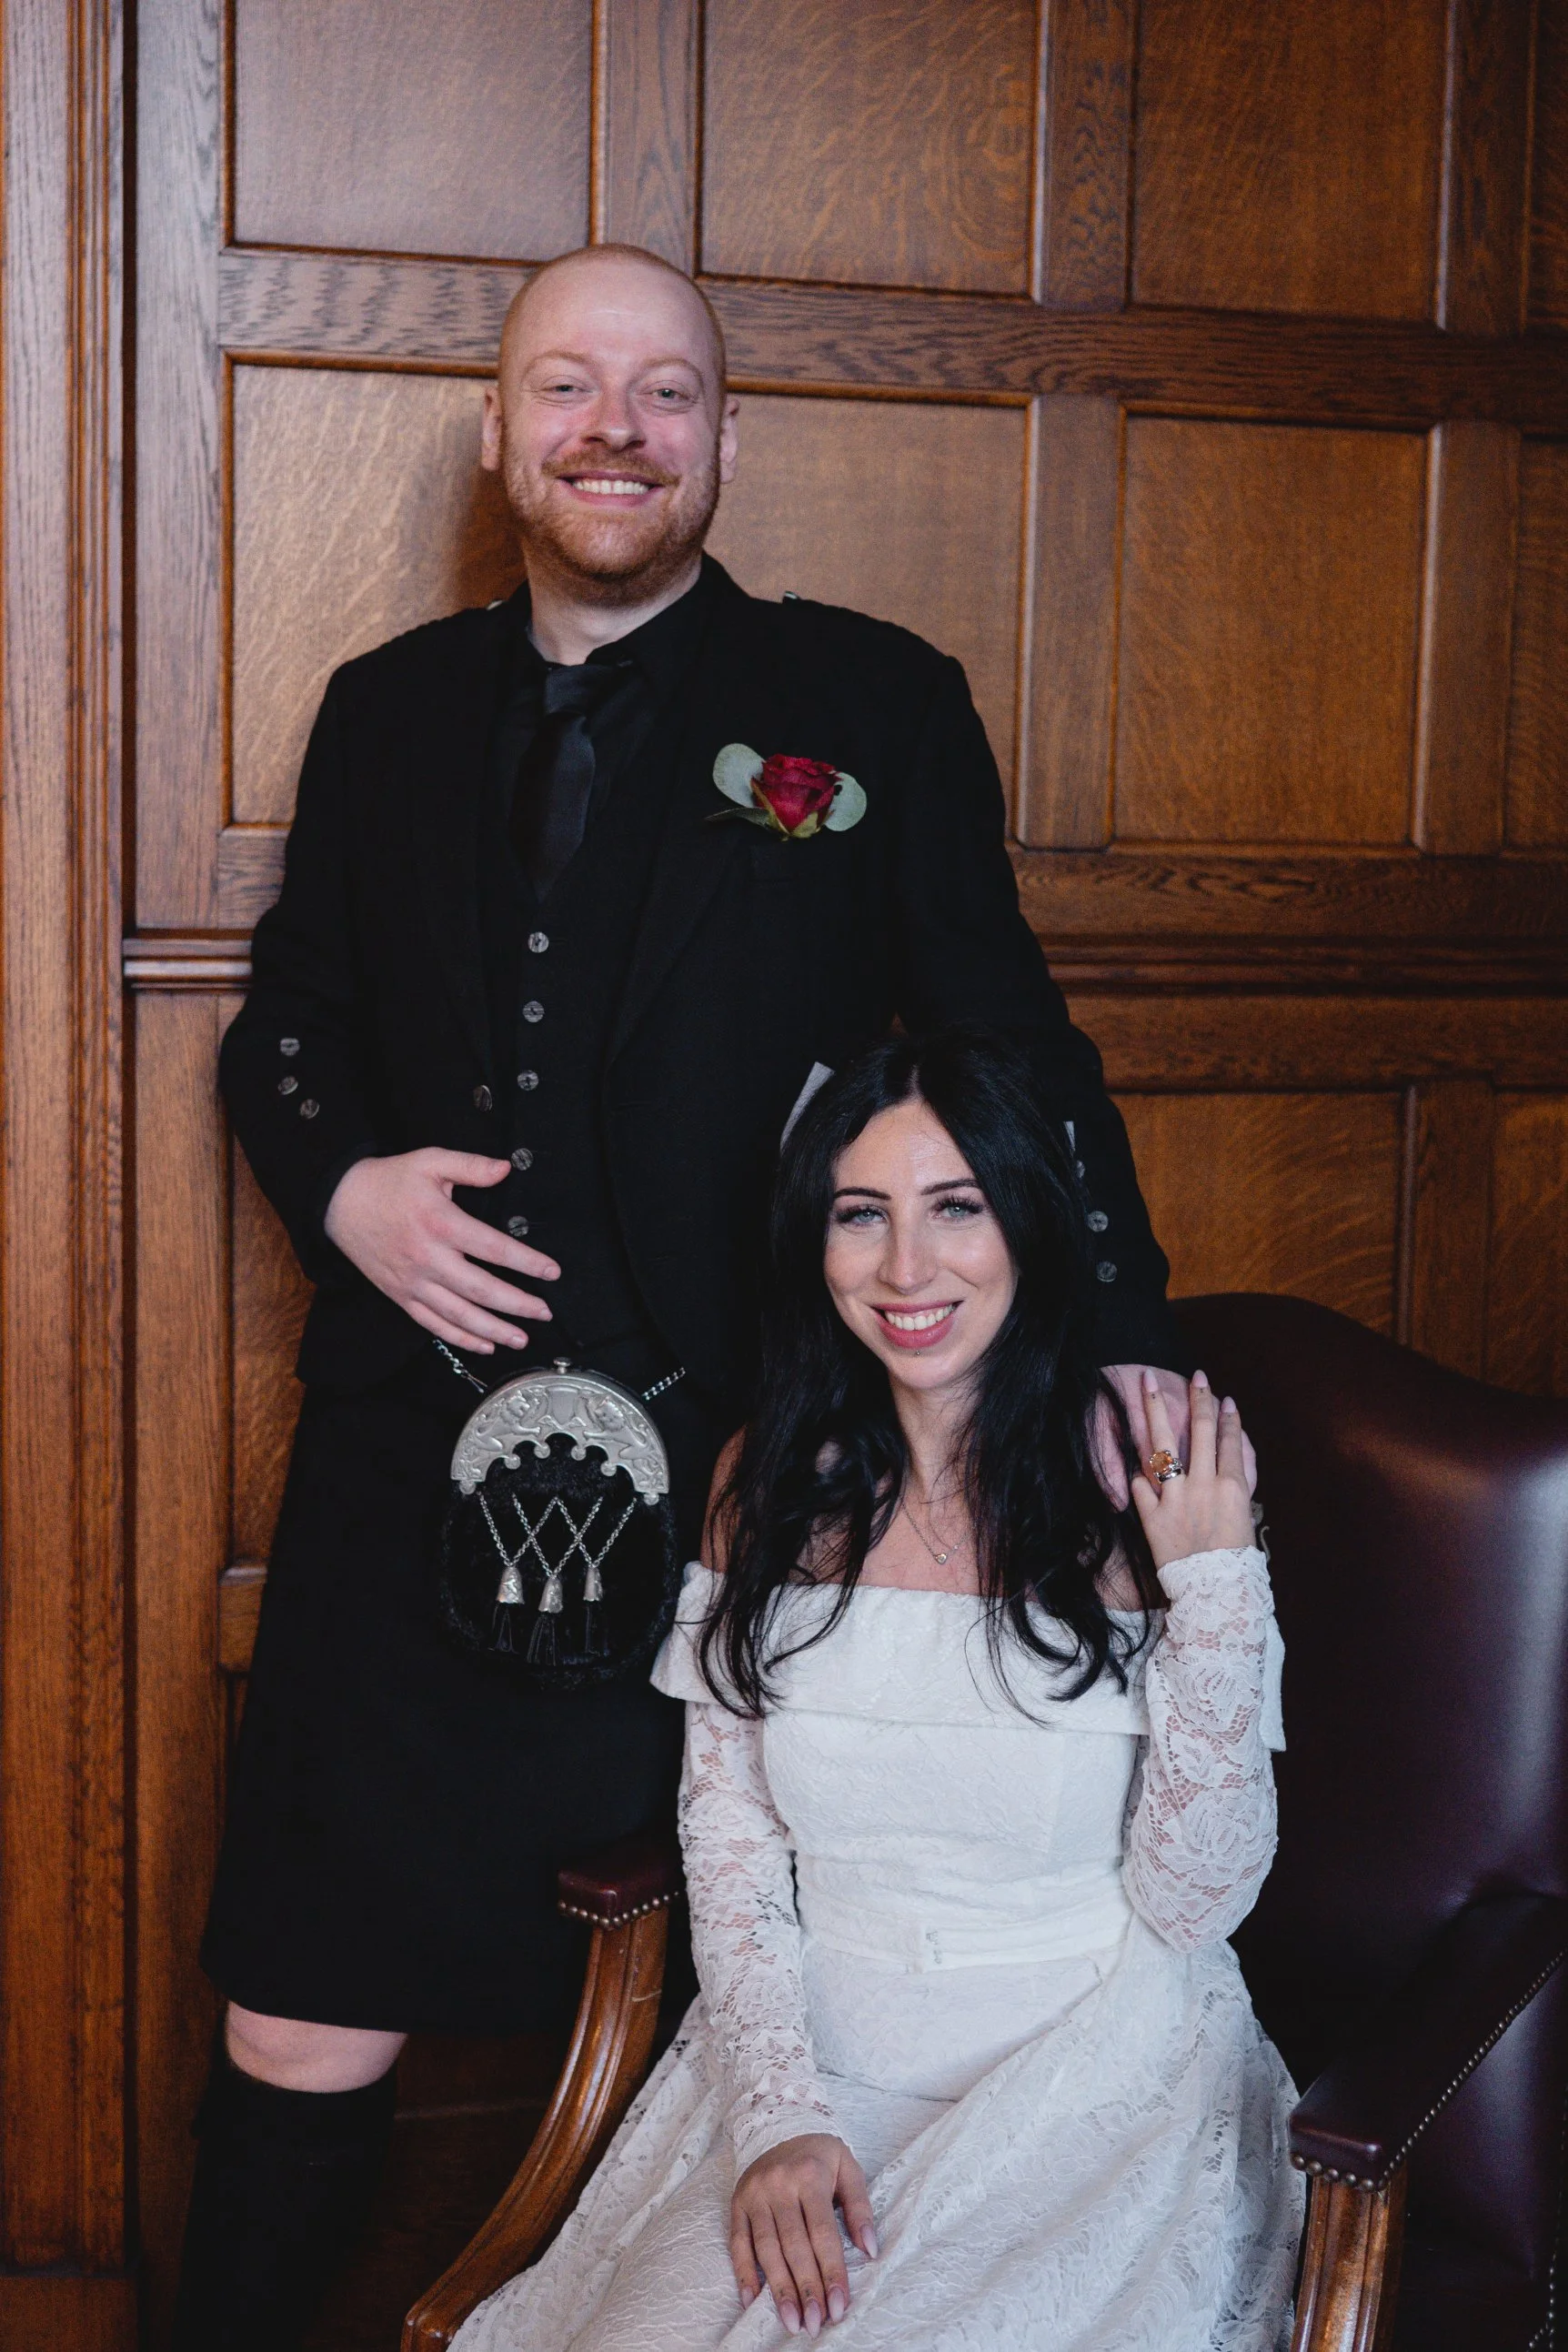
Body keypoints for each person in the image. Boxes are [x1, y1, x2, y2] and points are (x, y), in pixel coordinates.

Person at [176, 244, 1198, 2348]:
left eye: (664, 393)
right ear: (500, 434)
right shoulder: (383, 710)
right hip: (404, 1464)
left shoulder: (869, 703)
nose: (615, 430)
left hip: (742, 1474)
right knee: (294, 2024)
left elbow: (1006, 1043)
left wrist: (1121, 1337)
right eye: (569, 387)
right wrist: (347, 1189)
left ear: (724, 438)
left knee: (721, 2020)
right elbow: (284, 1026)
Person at [456, 1027, 1302, 2352]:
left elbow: (1199, 1902)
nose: (908, 1268)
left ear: (1025, 1221)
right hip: (816, 2067)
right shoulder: (765, 1479)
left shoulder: (1148, 1469)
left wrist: (1216, 1587)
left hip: (1092, 2080)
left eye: (956, 1207)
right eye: (863, 1215)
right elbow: (732, 1837)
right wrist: (779, 2116)